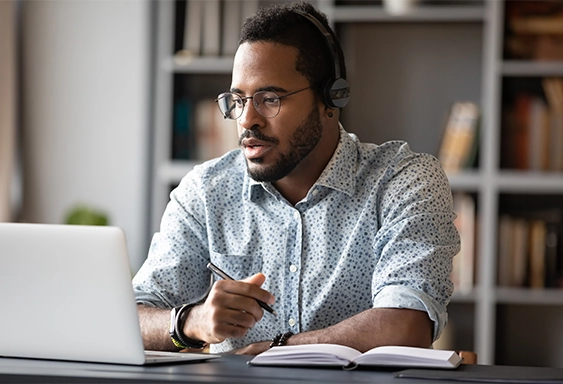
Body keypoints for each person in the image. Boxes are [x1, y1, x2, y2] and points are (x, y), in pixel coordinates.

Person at [132, 1, 459, 355]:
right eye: (238, 100)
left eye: (269, 98)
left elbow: (406, 325)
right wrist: (191, 322)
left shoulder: (403, 180)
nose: (246, 120)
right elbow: (130, 317)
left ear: (331, 98)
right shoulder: (207, 191)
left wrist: (279, 349)